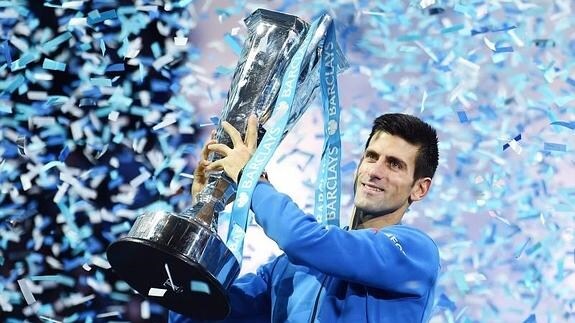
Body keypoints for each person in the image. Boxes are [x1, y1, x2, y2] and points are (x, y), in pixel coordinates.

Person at [170, 113, 440, 322]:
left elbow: (302, 239)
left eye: (394, 164)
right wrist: (204, 214)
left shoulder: (415, 253)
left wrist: (251, 180)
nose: (375, 171)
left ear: (419, 188)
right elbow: (194, 312)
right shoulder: (288, 268)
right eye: (371, 157)